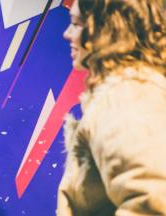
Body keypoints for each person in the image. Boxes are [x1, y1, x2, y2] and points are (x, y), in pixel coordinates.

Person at [57, 0, 166, 215]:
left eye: (77, 24)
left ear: (108, 29)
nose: (67, 34)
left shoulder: (125, 96)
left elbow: (153, 202)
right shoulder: (136, 89)